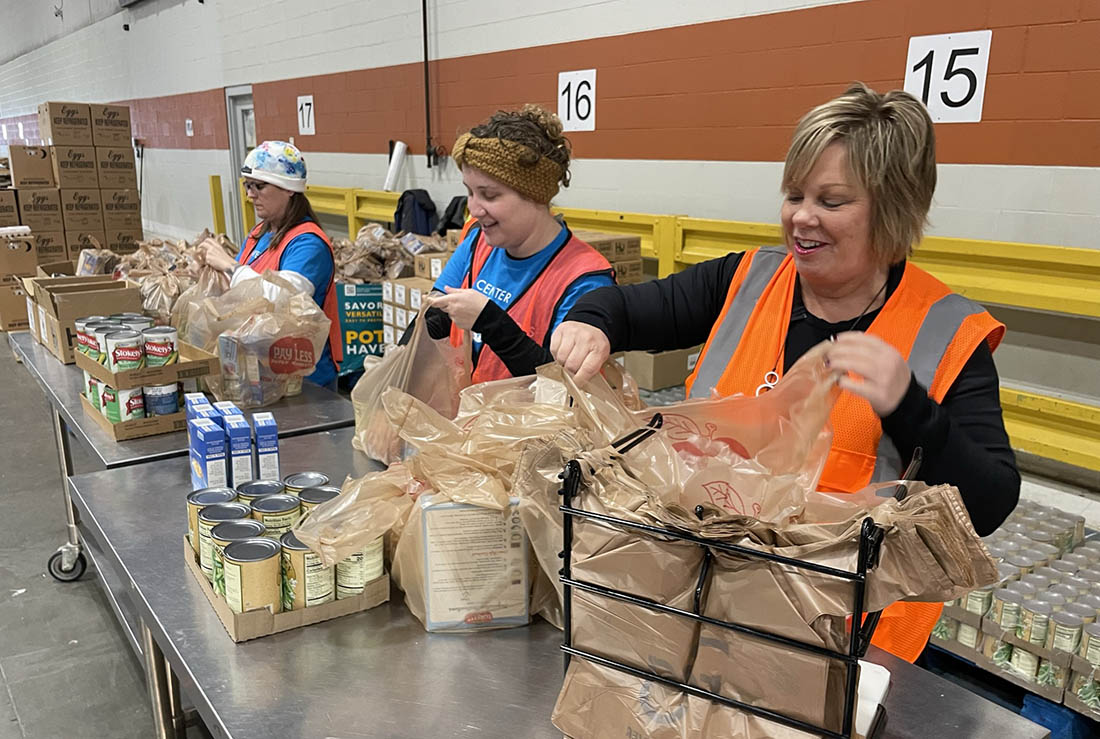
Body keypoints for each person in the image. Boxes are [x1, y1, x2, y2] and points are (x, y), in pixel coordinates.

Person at [550, 83, 1020, 663]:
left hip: (843, 639)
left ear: (893, 208)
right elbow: (630, 308)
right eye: (794, 194)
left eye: (831, 201)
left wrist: (911, 408)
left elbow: (991, 503)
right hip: (703, 598)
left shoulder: (945, 330)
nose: (801, 217)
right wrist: (591, 321)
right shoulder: (746, 280)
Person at [418, 104, 615, 382]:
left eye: (489, 195)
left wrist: (490, 322)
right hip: (468, 418)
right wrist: (400, 364)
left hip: (531, 424)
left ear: (535, 195)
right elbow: (435, 317)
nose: (474, 209)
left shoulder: (584, 279)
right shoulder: (477, 239)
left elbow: (565, 386)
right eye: (469, 192)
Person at [203, 140, 341, 388]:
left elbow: (281, 299)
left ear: (288, 188)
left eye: (259, 186)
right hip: (261, 373)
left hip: (302, 378)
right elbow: (238, 293)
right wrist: (210, 274)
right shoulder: (260, 233)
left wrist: (229, 266)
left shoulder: (308, 245)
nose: (250, 194)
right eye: (247, 185)